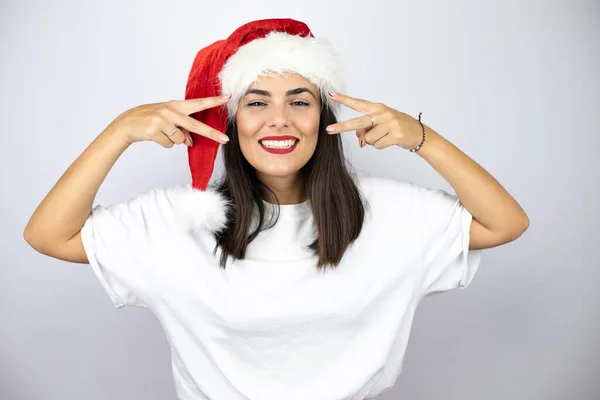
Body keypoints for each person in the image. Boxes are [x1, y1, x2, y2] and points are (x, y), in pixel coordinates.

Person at [24, 18, 529, 400]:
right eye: (257, 101)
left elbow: (506, 222)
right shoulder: (179, 221)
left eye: (301, 101)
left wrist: (423, 137)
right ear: (229, 119)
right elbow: (49, 236)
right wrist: (120, 130)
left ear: (323, 118)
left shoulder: (389, 212)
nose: (279, 121)